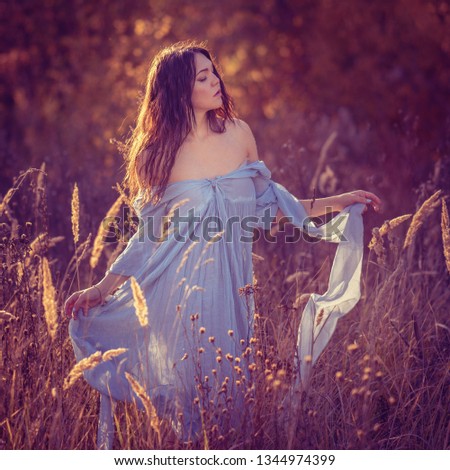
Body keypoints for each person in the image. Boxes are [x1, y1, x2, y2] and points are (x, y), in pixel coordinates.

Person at [64, 41, 381, 449]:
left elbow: (272, 207)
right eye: (202, 76)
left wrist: (340, 201)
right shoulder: (154, 153)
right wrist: (102, 289)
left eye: (213, 72)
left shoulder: (239, 134)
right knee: (186, 404)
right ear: (179, 90)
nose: (215, 80)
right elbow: (146, 238)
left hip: (233, 290)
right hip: (177, 293)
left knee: (230, 405)